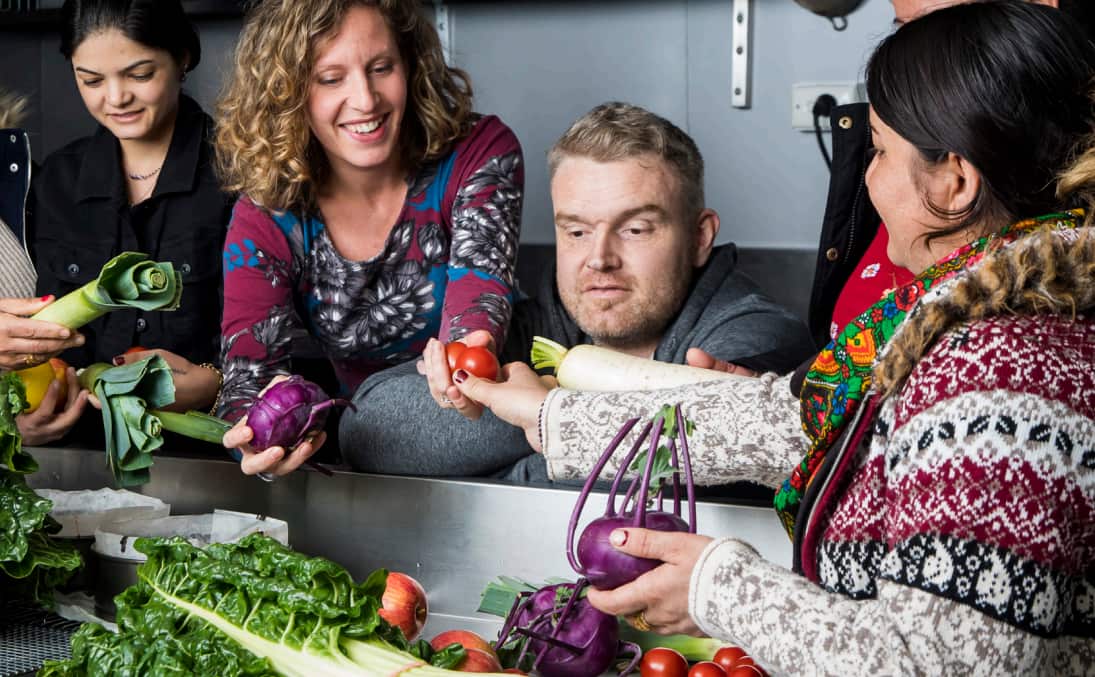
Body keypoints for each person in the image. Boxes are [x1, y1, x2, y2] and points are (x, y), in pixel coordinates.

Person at [453, 3, 1095, 672]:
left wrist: (715, 585)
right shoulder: (967, 319)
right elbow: (790, 421)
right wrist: (550, 415)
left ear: (954, 181)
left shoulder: (1004, 371)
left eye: (877, 150)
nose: (866, 176)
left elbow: (937, 666)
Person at [339, 102, 815, 480]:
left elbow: (655, 485)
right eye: (577, 231)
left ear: (699, 238)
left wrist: (540, 412)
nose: (599, 258)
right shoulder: (531, 327)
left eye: (636, 229)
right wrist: (549, 422)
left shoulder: (760, 339)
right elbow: (368, 430)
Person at [214, 0, 524, 478]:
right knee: (367, 428)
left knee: (366, 430)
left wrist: (466, 367)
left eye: (382, 68)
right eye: (331, 78)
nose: (365, 99)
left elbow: (476, 304)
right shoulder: (264, 215)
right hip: (385, 437)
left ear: (410, 65)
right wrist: (255, 441)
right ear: (287, 92)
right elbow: (246, 380)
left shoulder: (477, 151)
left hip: (489, 399)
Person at [808, 0, 1094, 348]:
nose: (916, 48)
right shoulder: (921, 186)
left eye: (939, 22)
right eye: (903, 27)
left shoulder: (981, 355)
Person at [28, 0, 232, 418]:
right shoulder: (57, 181)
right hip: (84, 444)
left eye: (140, 74)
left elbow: (280, 343)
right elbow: (46, 339)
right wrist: (30, 421)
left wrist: (215, 384)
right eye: (91, 81)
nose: (117, 98)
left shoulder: (243, 172)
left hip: (212, 449)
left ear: (183, 57)